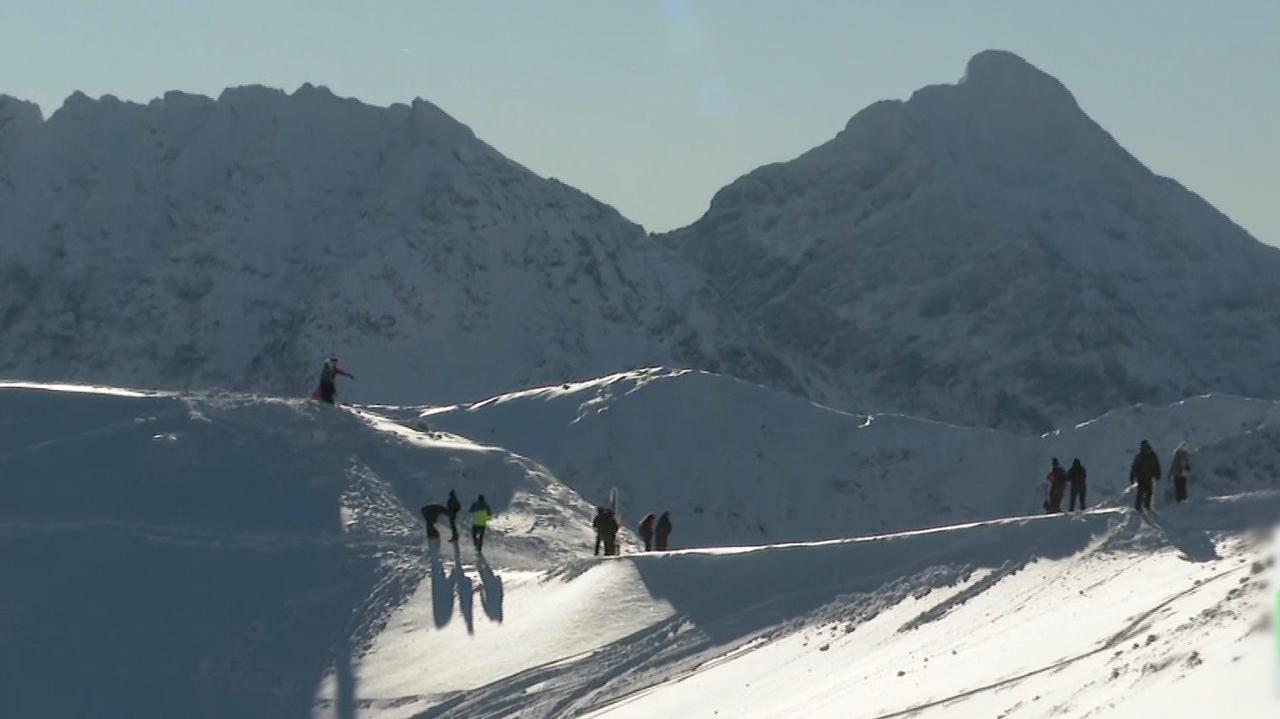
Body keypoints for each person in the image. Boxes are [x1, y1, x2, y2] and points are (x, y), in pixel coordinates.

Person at [1130, 439, 1162, 512]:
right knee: (1141, 492)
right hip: (1141, 477)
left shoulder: (1153, 455)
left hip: (1149, 476)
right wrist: (1132, 477)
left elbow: (1156, 465)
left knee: (1149, 492)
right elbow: (1134, 467)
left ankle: (1146, 506)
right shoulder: (1140, 456)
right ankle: (1138, 507)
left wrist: (1157, 474)